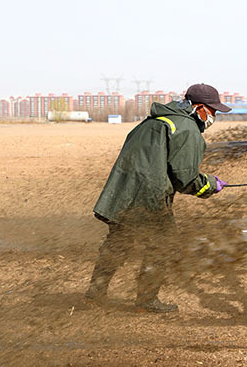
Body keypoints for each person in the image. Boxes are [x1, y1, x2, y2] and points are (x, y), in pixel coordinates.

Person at [86, 83, 231, 313]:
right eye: (213, 110)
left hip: (122, 192)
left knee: (118, 244)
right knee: (163, 245)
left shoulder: (155, 120)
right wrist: (210, 184)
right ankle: (146, 301)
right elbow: (185, 178)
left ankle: (95, 294)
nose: (214, 116)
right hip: (148, 198)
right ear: (199, 107)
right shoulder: (187, 129)